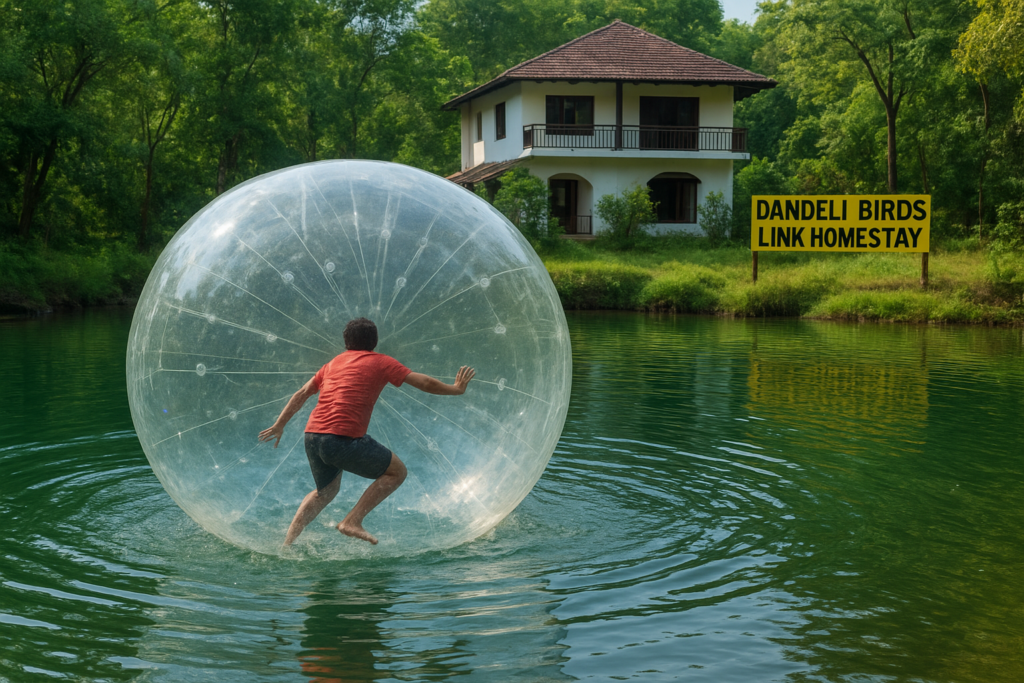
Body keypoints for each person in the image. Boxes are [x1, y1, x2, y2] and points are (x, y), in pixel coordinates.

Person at [258, 317, 475, 546]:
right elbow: (425, 382)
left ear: (345, 342)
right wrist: (456, 389)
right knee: (396, 472)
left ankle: (287, 543)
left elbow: (302, 393)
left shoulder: (332, 364)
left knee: (325, 492)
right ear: (375, 341)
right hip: (341, 438)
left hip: (313, 437)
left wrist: (279, 424)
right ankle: (352, 521)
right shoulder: (381, 362)